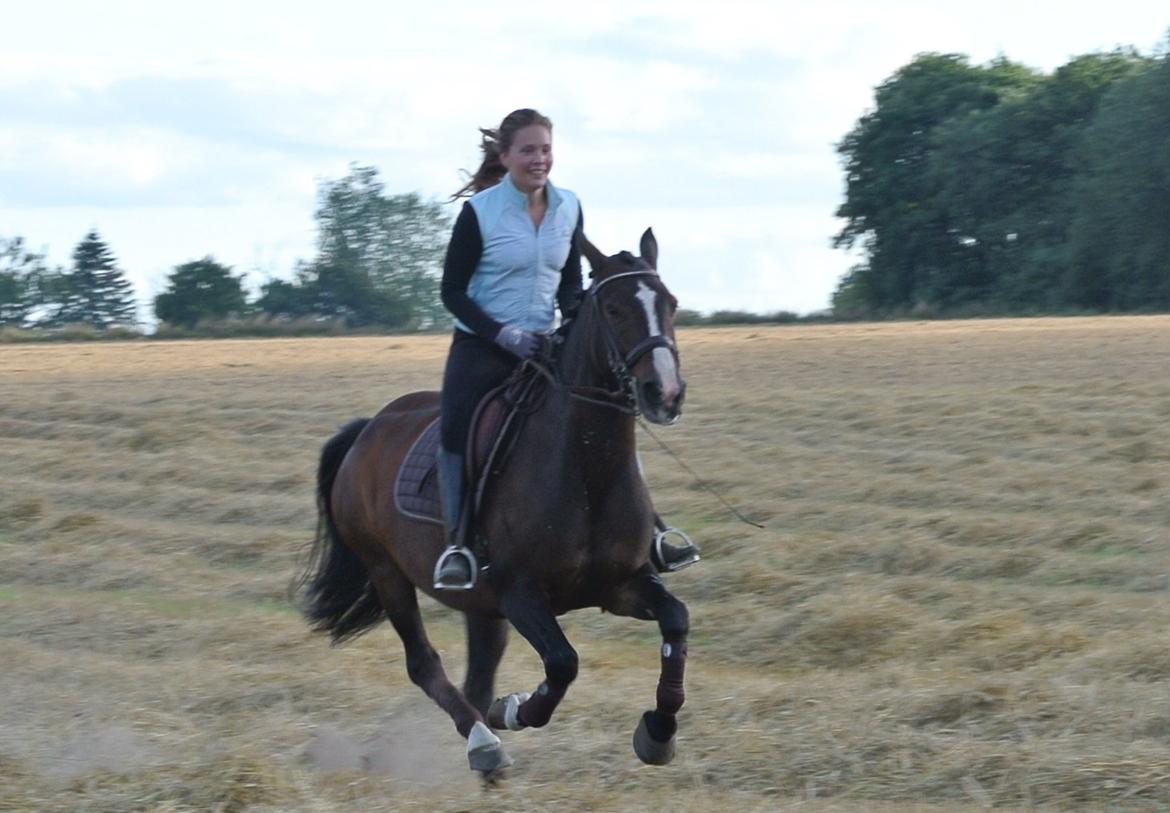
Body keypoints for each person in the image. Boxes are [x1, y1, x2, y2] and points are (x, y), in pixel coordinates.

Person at [433, 108, 699, 590]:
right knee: (456, 427)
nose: (539, 160)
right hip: (483, 346)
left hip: (545, 342)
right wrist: (501, 334)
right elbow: (451, 291)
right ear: (506, 155)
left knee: (611, 416)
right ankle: (461, 543)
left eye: (546, 150)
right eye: (529, 150)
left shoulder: (569, 207)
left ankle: (652, 533)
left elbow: (570, 285)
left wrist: (573, 323)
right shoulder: (479, 214)